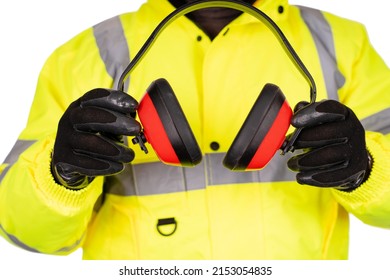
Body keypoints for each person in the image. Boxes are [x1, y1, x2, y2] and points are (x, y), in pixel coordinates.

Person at [0, 0, 389, 260]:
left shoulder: (341, 44)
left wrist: (365, 170)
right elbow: (23, 230)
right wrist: (61, 174)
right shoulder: (87, 54)